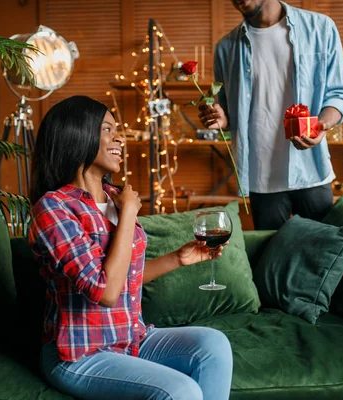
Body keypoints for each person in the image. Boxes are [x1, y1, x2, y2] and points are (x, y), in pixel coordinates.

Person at [28, 95, 233, 400]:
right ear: (77, 135)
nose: (119, 138)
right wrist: (127, 215)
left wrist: (177, 259)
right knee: (180, 391)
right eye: (107, 130)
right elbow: (105, 291)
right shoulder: (54, 208)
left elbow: (124, 275)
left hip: (130, 338)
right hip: (80, 354)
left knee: (213, 346)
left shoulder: (116, 196)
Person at [199, 0, 343, 230]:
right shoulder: (226, 48)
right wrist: (220, 118)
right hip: (261, 177)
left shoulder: (320, 28)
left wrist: (321, 126)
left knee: (321, 252)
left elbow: (339, 94)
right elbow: (228, 111)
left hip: (311, 169)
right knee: (271, 259)